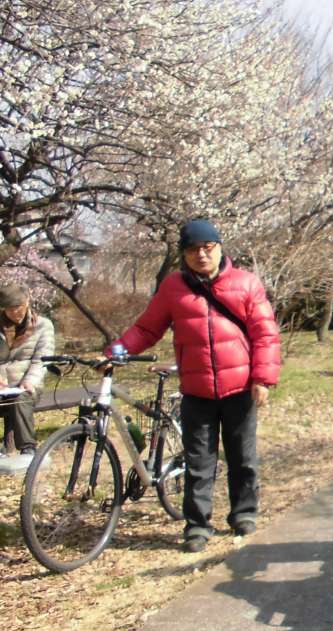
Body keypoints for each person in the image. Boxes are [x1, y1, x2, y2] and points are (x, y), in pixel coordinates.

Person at [109, 219, 281, 553]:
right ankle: (198, 525)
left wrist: (262, 379)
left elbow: (265, 334)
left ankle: (244, 512)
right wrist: (115, 352)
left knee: (242, 457)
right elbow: (146, 329)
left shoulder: (246, 283)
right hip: (196, 389)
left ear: (219, 247)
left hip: (239, 388)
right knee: (198, 462)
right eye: (192, 250)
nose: (201, 255)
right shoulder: (173, 287)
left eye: (207, 247)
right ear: (183, 254)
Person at [0, 284, 54, 464]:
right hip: (2, 385)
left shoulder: (43, 326)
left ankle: (28, 449)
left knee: (21, 399)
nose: (15, 312)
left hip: (27, 383)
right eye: (10, 309)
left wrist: (30, 380)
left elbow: (42, 359)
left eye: (19, 307)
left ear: (27, 302)